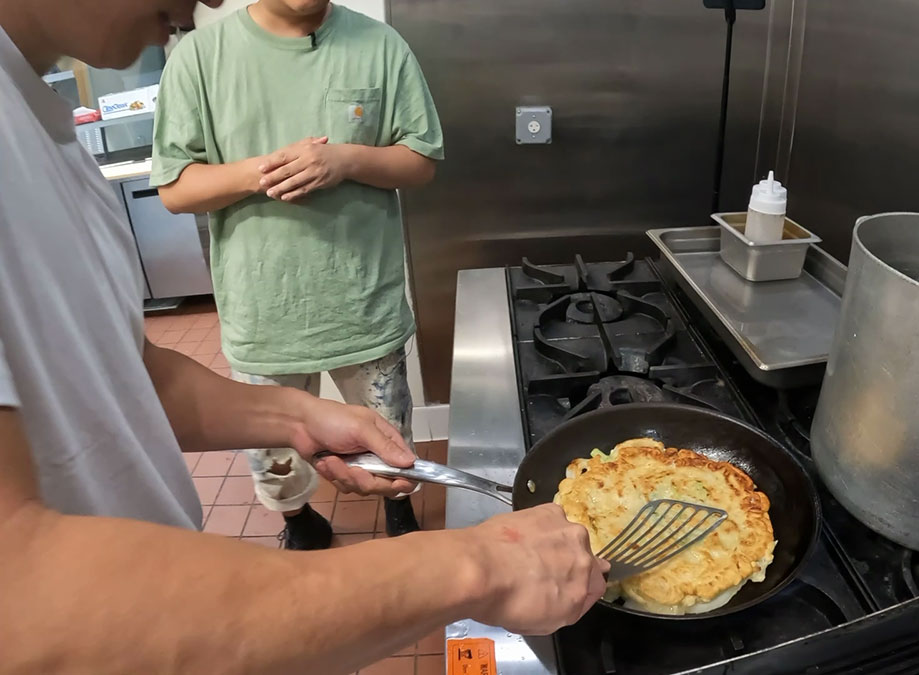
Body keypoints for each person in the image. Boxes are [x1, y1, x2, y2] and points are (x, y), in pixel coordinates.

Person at [0, 0, 606, 671]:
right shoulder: (183, 66)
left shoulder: (31, 123)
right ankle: (299, 520)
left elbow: (115, 372)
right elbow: (20, 596)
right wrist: (473, 567)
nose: (206, 0)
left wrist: (294, 414)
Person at [151, 0, 442, 549]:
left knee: (389, 436)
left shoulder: (381, 46)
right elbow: (175, 188)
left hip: (364, 303)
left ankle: (398, 506)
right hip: (265, 313)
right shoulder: (199, 57)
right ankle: (297, 517)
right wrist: (264, 171)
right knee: (273, 451)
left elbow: (420, 161)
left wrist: (347, 160)